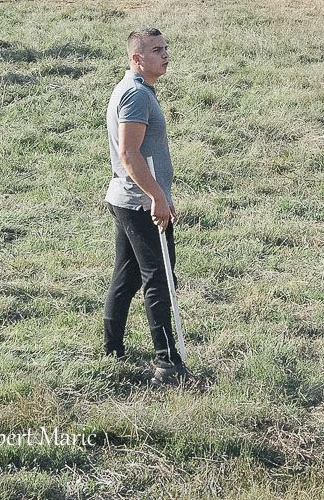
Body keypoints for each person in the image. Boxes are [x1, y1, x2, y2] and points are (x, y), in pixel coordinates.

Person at [102, 27, 187, 385]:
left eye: (165, 48)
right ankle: (167, 364)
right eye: (156, 50)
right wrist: (157, 197)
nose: (165, 55)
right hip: (139, 203)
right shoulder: (136, 95)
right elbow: (129, 153)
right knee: (159, 279)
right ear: (137, 59)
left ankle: (112, 351)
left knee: (127, 277)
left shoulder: (134, 89)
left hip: (125, 198)